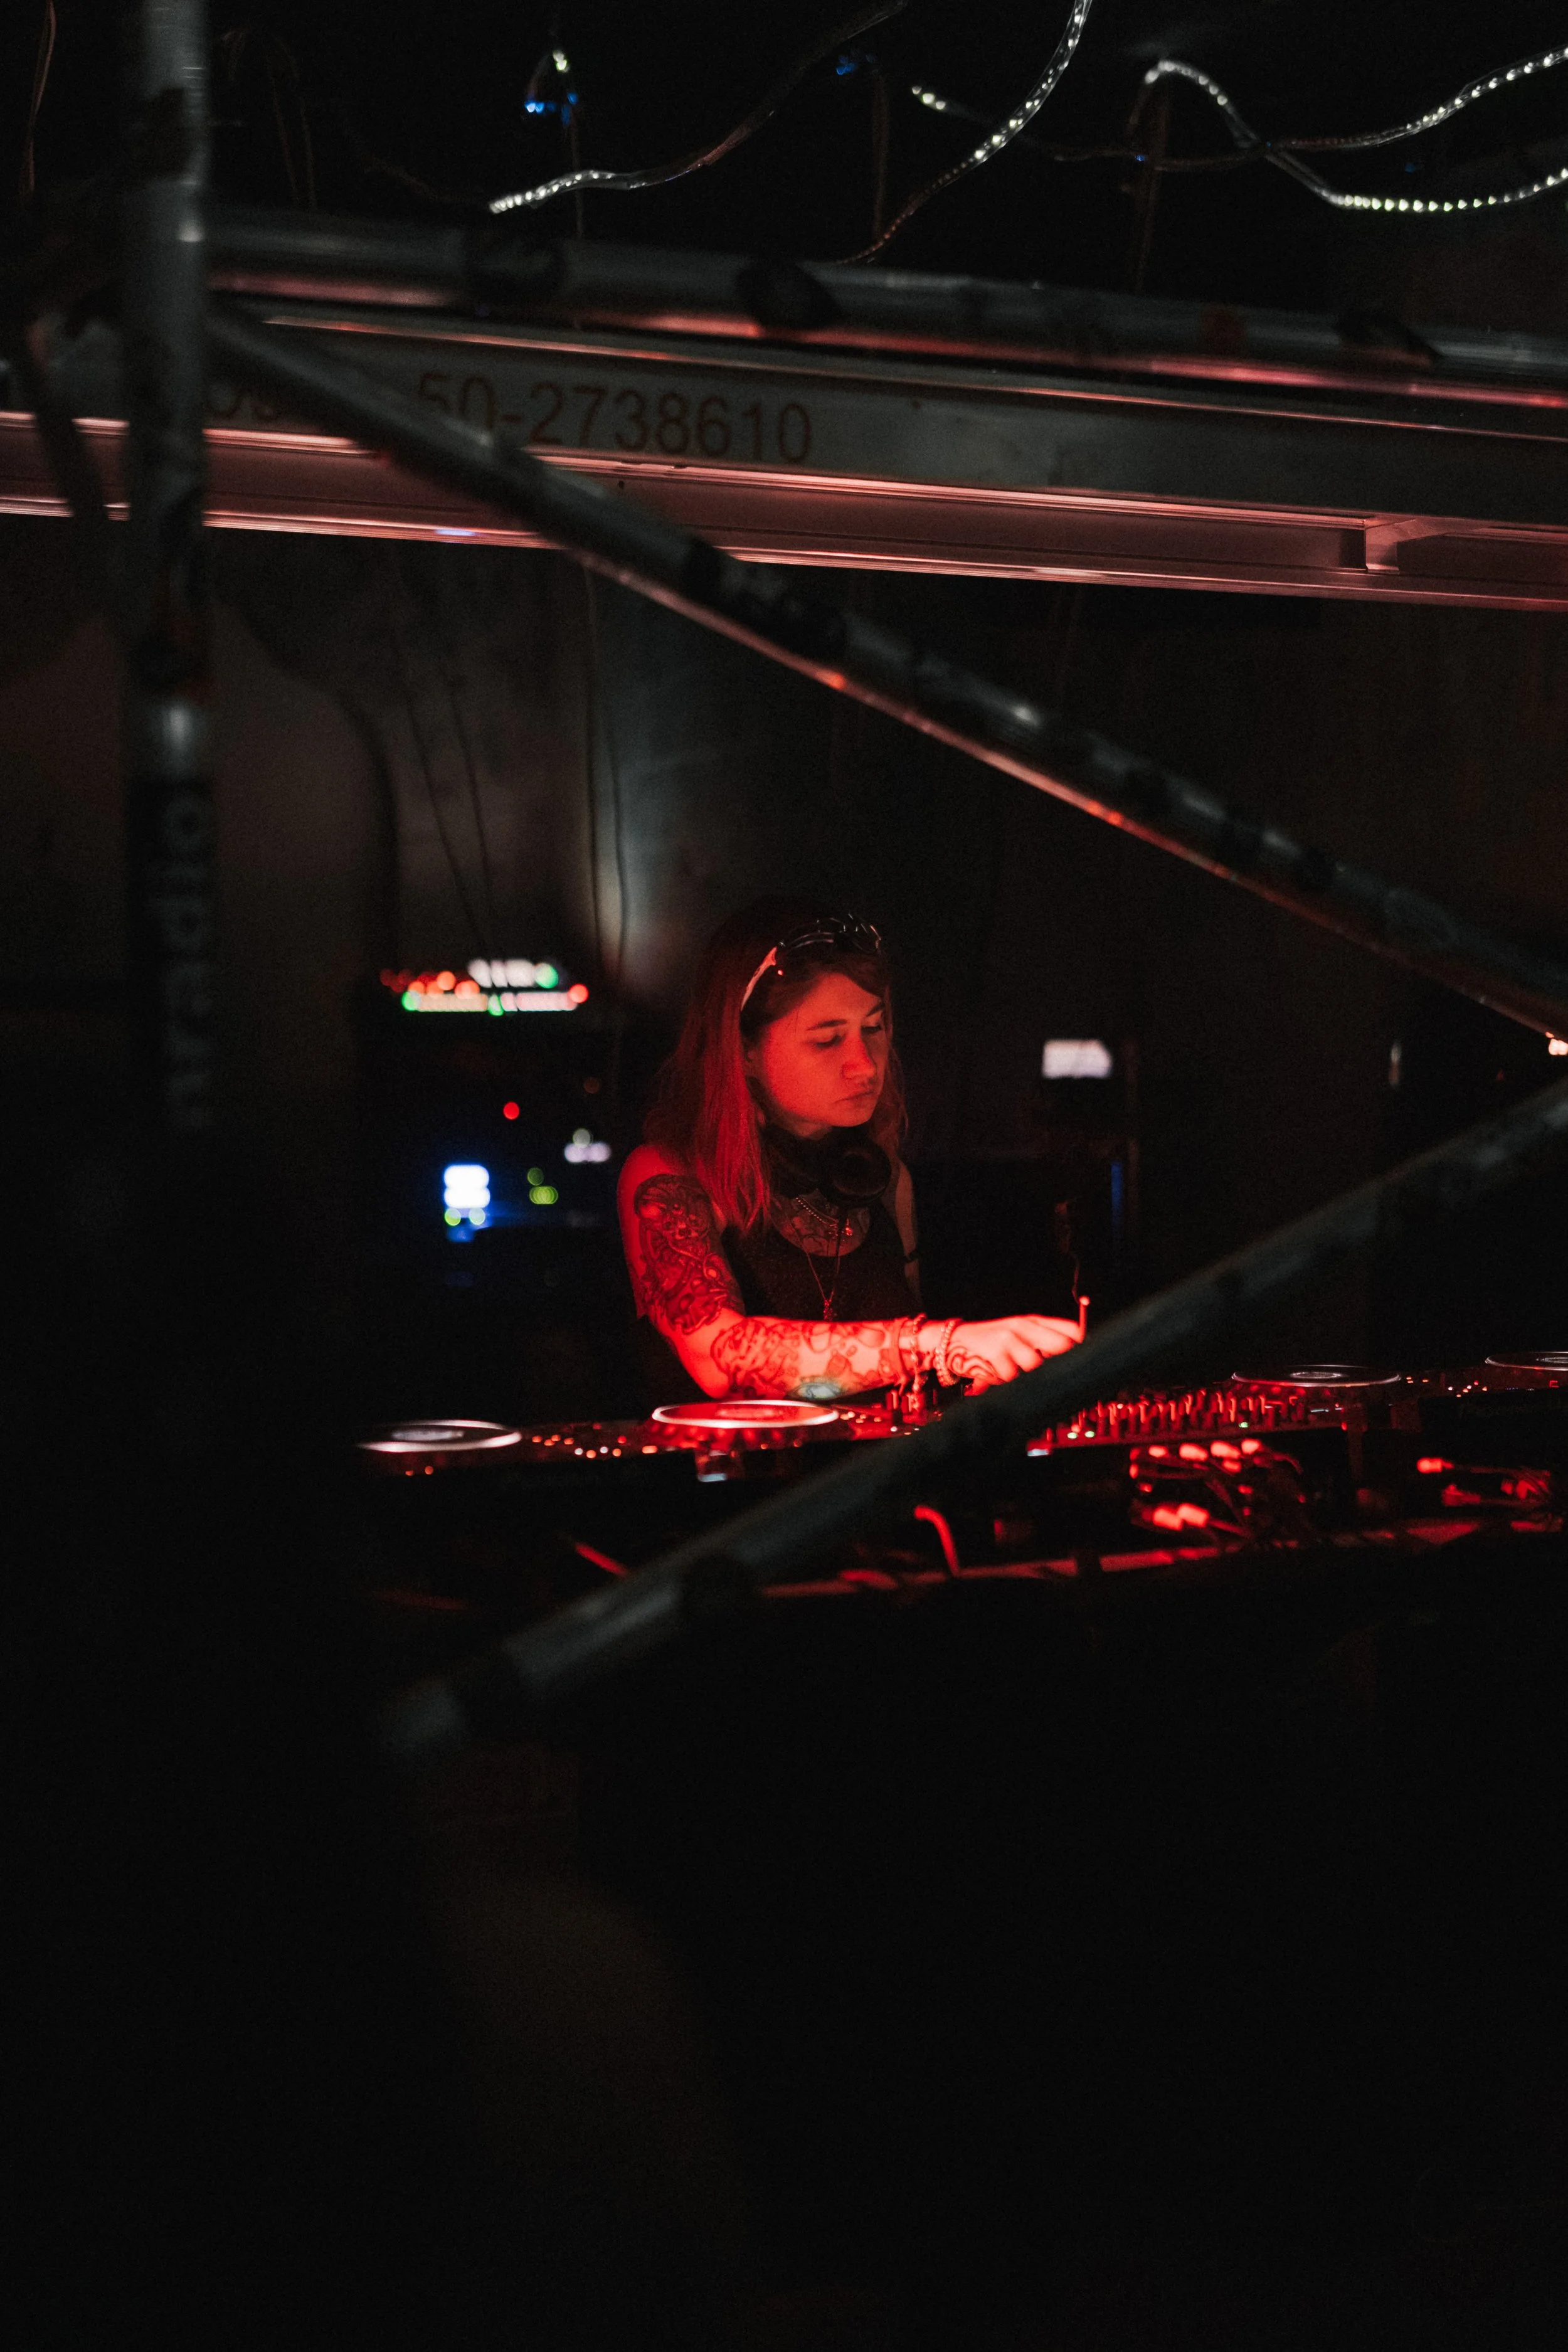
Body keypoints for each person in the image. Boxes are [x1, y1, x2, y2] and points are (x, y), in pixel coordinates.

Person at [618, 899, 1081, 1403]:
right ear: (744, 1050)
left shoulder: (885, 1181)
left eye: (873, 1029)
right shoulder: (665, 1177)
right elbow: (717, 1357)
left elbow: (893, 1384)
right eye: (828, 1040)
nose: (864, 1065)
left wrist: (969, 1376)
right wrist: (938, 1345)